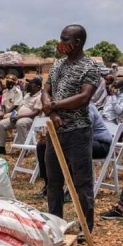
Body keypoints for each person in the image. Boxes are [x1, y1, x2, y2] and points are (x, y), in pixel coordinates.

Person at [42, 24, 99, 233]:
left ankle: (86, 228)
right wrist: (52, 112)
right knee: (54, 181)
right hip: (55, 131)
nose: (60, 43)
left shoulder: (90, 67)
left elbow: (84, 98)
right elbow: (46, 91)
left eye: (64, 39)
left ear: (77, 43)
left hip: (78, 132)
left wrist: (54, 105)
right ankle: (55, 226)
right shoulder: (57, 65)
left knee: (81, 183)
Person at [36, 104, 112, 197]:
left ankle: (74, 190)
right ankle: (48, 184)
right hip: (80, 142)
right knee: (42, 146)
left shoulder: (87, 107)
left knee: (72, 148)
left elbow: (84, 131)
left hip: (100, 144)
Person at [0, 77, 43, 154]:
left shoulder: (40, 97)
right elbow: (20, 108)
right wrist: (11, 115)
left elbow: (35, 113)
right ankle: (1, 147)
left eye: (32, 84)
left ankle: (24, 148)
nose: (29, 85)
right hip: (18, 116)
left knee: (20, 123)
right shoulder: (27, 95)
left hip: (31, 119)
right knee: (2, 124)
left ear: (38, 87)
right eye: (29, 84)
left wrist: (19, 116)